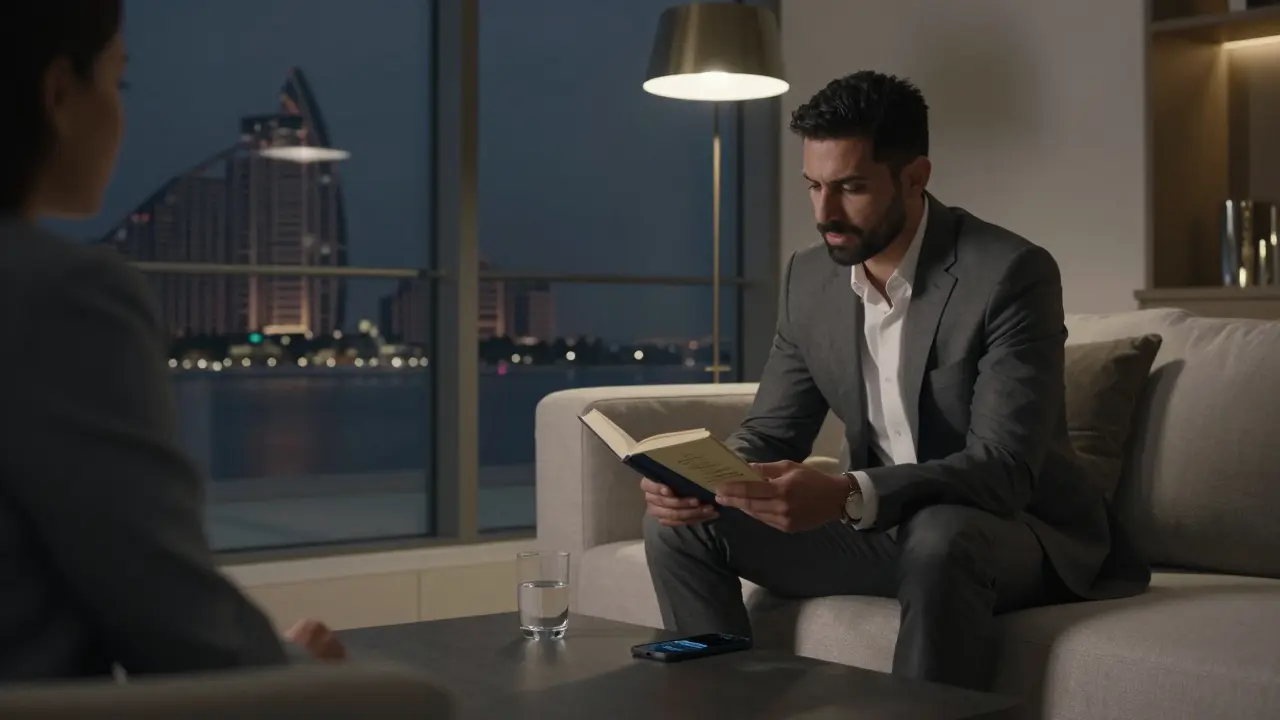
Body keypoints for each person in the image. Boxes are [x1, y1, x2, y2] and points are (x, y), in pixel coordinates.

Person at [640, 71, 1150, 691]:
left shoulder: (1010, 273)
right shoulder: (810, 278)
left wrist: (848, 492)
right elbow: (773, 430)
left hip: (1017, 533)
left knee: (940, 534)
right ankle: (720, 708)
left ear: (914, 177)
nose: (825, 212)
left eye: (851, 188)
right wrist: (701, 479)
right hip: (884, 531)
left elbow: (1003, 468)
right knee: (683, 525)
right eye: (814, 187)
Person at [0, 0, 344, 680]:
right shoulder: (60, 297)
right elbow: (180, 632)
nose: (121, 117)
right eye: (117, 84)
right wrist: (301, 670)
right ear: (60, 93)